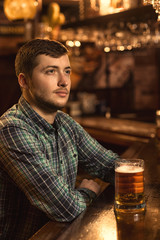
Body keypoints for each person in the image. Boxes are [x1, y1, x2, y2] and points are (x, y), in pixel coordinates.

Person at [0, 39, 119, 240]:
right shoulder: (11, 129)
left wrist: (131, 171)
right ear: (24, 81)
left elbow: (108, 164)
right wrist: (88, 192)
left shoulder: (65, 123)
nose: (64, 81)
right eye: (51, 71)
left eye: (67, 71)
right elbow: (65, 208)